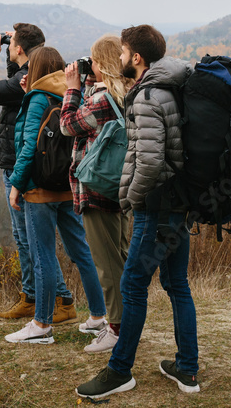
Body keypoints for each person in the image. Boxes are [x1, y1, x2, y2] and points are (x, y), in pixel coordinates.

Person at [76, 25, 199, 398]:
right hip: (177, 205)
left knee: (132, 287)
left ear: (137, 58)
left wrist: (129, 198)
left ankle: (119, 371)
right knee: (177, 285)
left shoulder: (147, 96)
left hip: (154, 207)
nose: (121, 58)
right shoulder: (172, 88)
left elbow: (148, 160)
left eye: (125, 52)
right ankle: (188, 370)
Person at [3, 46, 106, 344]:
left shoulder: (37, 99)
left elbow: (28, 147)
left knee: (43, 254)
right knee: (81, 251)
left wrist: (17, 185)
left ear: (34, 69)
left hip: (39, 188)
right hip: (69, 184)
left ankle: (41, 325)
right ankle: (99, 315)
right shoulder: (73, 93)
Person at [0, 24, 75, 324]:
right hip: (34, 168)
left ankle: (58, 299)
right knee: (26, 237)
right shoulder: (38, 76)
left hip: (22, 170)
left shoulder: (27, 80)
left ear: (18, 49)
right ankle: (34, 297)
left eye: (11, 44)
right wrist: (10, 53)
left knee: (30, 238)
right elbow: (12, 80)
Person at [60, 35, 135, 354]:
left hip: (96, 187)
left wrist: (72, 88)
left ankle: (117, 329)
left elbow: (67, 125)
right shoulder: (126, 93)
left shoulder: (102, 100)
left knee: (106, 263)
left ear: (102, 64)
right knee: (119, 256)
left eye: (94, 61)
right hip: (119, 186)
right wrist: (90, 79)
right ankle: (126, 323)